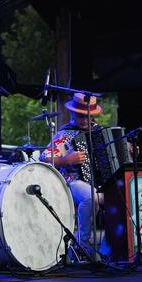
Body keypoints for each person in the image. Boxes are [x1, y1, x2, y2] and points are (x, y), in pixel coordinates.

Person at [39, 93, 104, 254]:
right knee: (91, 196)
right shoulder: (65, 134)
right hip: (72, 181)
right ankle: (81, 243)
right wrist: (67, 159)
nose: (85, 120)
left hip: (100, 182)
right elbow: (44, 158)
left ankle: (113, 246)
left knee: (123, 193)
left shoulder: (100, 132)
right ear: (73, 113)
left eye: (88, 116)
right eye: (81, 115)